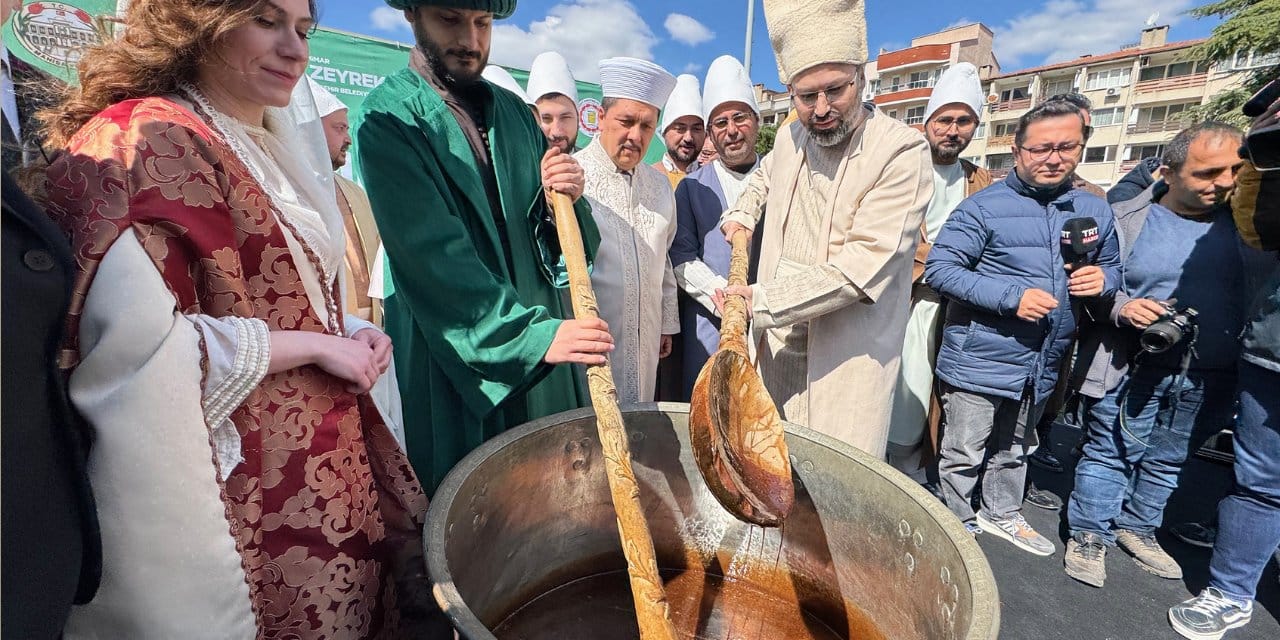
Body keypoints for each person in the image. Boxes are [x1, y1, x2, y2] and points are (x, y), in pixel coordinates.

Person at [39, 0, 437, 635]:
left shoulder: (256, 141)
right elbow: (135, 358)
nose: (295, 49)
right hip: (237, 505)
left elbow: (284, 292)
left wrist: (343, 333)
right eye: (265, 19)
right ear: (195, 22)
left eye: (303, 30)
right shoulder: (148, 138)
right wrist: (311, 346)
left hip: (319, 479)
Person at [355, 0, 611, 491]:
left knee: (556, 501)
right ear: (413, 15)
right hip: (459, 355)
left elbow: (560, 252)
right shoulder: (388, 119)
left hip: (543, 344)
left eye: (483, 23)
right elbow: (431, 257)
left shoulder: (514, 113)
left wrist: (567, 200)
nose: (471, 41)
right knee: (474, 510)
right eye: (450, 20)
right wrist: (532, 339)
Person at [719, 0, 931, 457]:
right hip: (777, 349)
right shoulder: (793, 137)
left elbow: (860, 269)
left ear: (861, 75)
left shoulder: (901, 151)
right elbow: (761, 178)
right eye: (805, 96)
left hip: (844, 358)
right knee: (768, 469)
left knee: (832, 491)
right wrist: (740, 212)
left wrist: (760, 299)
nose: (820, 109)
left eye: (835, 90)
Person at [926, 99, 1121, 554]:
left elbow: (1113, 268)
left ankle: (1002, 513)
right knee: (964, 449)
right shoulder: (984, 208)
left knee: (1016, 446)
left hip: (1044, 359)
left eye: (1066, 146)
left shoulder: (1094, 211)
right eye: (1040, 149)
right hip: (980, 354)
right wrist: (1011, 298)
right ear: (1017, 152)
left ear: (1082, 146)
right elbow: (941, 270)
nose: (1053, 158)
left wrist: (1103, 280)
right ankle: (956, 520)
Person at [1063, 122, 1246, 588]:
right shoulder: (1123, 220)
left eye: (1233, 170)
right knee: (1110, 451)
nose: (1223, 183)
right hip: (1132, 363)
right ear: (1168, 171)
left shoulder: (1251, 225)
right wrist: (1123, 306)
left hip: (1211, 374)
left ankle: (1138, 528)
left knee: (1171, 457)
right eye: (1208, 173)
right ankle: (1089, 534)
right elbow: (1090, 288)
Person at [1168, 97, 1280, 640]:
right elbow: (1258, 226)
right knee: (1260, 480)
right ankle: (1233, 590)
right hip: (1271, 347)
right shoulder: (1264, 154)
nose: (1226, 181)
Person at [886, 62, 991, 480]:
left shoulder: (980, 180)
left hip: (956, 312)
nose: (952, 130)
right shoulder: (900, 169)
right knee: (901, 403)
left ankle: (914, 481)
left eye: (963, 121)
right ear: (927, 122)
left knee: (941, 405)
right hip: (903, 304)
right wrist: (943, 262)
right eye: (944, 120)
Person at [575, 57, 679, 404]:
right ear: (601, 119)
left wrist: (666, 322)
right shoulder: (573, 178)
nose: (635, 135)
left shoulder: (660, 187)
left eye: (647, 126)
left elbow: (662, 257)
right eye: (627, 121)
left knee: (639, 426)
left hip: (646, 337)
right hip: (591, 343)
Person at [668, 55, 764, 401]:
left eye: (740, 118)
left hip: (772, 330)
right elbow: (681, 256)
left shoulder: (781, 179)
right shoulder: (692, 188)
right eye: (720, 123)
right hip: (711, 327)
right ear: (711, 133)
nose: (731, 130)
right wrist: (724, 297)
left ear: (757, 121)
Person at [654, 73, 706, 188]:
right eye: (680, 129)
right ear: (664, 132)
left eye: (696, 129)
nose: (688, 137)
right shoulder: (645, 179)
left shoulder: (713, 181)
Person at [526, 51, 579, 154]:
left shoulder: (595, 168)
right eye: (546, 119)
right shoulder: (514, 167)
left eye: (565, 118)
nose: (556, 132)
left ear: (578, 119)